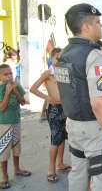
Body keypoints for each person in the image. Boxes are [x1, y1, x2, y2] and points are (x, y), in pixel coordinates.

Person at [55, 3, 102, 191]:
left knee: (78, 173)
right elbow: (99, 103)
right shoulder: (94, 55)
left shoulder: (64, 53)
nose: (101, 26)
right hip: (93, 127)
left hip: (73, 123)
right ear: (86, 27)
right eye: (98, 22)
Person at [30, 48, 71, 183]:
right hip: (54, 110)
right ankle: (51, 169)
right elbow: (33, 88)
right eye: (57, 58)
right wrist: (47, 97)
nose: (59, 61)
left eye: (62, 58)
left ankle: (60, 163)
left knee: (63, 137)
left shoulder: (65, 72)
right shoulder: (48, 73)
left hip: (65, 108)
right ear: (51, 58)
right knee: (55, 139)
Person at [0, 64, 31, 189]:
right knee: (4, 151)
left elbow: (23, 102)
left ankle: (17, 169)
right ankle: (5, 176)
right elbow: (2, 108)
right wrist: (7, 93)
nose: (9, 76)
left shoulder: (16, 85)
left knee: (16, 147)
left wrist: (15, 91)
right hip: (4, 124)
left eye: (10, 73)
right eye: (5, 74)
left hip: (16, 121)